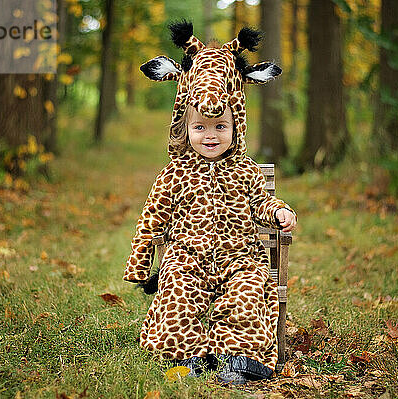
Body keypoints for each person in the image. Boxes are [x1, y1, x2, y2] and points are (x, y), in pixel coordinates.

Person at [123, 21, 297, 385]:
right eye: (200, 127)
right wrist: (140, 264)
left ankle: (242, 359)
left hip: (239, 257)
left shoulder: (246, 170)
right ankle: (190, 357)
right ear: (184, 129)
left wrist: (278, 211)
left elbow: (262, 201)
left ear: (237, 129)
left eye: (220, 127)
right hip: (187, 258)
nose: (210, 135)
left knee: (248, 295)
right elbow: (151, 217)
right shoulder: (174, 173)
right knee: (175, 296)